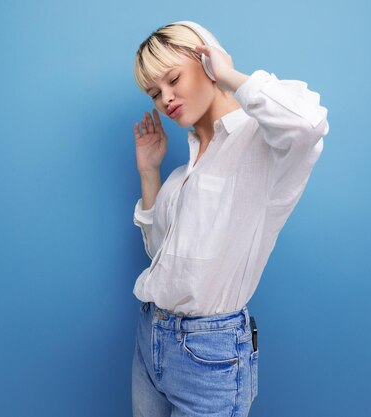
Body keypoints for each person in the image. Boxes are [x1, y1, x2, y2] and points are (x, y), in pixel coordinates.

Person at [130, 21, 329, 417]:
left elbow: (308, 123)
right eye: (155, 93)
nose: (165, 99)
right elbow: (160, 255)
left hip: (209, 352)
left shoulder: (262, 141)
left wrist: (230, 76)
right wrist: (150, 173)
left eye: (173, 79)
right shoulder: (181, 174)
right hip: (150, 337)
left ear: (207, 60)